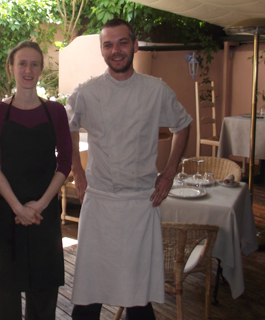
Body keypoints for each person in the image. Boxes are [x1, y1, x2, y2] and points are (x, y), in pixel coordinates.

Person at [66, 18, 192, 320]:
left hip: (140, 204)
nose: (116, 50)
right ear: (102, 51)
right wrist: (78, 172)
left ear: (134, 46)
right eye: (108, 44)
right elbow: (66, 126)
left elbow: (183, 124)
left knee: (139, 300)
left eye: (122, 42)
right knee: (88, 296)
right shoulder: (87, 92)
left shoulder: (155, 90)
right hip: (100, 204)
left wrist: (169, 172)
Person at [0, 40, 72, 320]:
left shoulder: (56, 112)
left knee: (44, 293)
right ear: (11, 67)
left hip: (44, 215)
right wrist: (18, 208)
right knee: (6, 293)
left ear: (40, 69)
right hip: (7, 214)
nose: (28, 69)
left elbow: (65, 162)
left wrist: (39, 206)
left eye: (34, 64)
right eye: (22, 63)